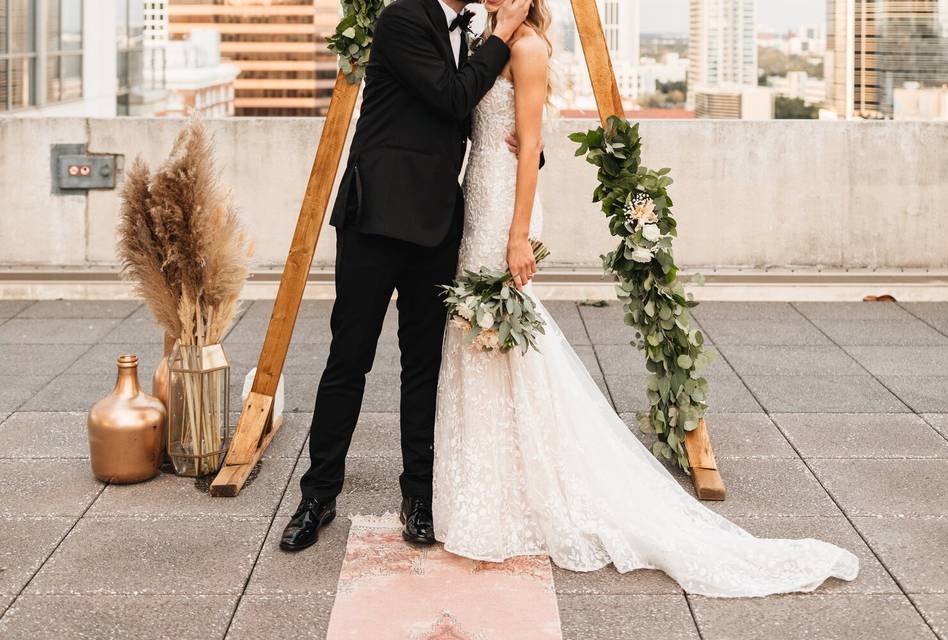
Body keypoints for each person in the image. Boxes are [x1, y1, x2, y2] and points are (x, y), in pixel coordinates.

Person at [430, 0, 861, 597]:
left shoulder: (525, 49)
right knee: (475, 335)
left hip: (505, 205)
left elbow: (529, 146)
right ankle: (491, 482)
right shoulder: (481, 36)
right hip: (477, 192)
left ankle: (518, 487)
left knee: (502, 332)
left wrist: (519, 232)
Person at [280, 0, 534, 552]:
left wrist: (526, 149)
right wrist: (505, 33)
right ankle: (318, 495)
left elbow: (482, 114)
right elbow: (451, 95)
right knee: (349, 360)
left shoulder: (472, 36)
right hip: (375, 219)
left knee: (424, 366)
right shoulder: (401, 18)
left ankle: (419, 494)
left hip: (439, 224)